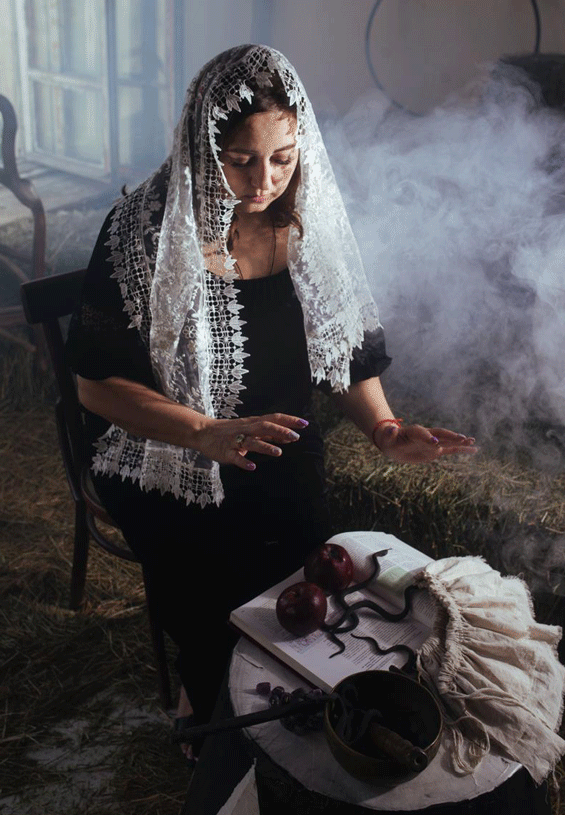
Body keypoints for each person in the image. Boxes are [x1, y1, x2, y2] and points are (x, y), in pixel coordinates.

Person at [66, 44, 475, 761]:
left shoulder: (305, 218)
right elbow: (95, 385)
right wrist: (204, 432)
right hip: (169, 449)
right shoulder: (141, 230)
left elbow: (344, 347)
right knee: (211, 575)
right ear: (203, 148)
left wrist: (384, 428)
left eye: (282, 158)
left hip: (280, 441)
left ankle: (278, 697)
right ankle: (207, 693)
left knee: (309, 571)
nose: (263, 181)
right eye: (241, 160)